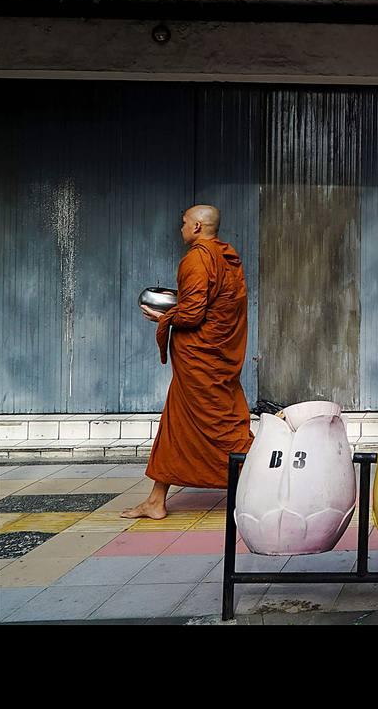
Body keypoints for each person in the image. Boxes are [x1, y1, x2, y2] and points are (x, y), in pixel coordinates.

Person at [122, 205, 254, 519]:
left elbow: (193, 314)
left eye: (183, 223)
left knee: (225, 429)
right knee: (176, 425)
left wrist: (164, 316)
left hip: (202, 362)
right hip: (211, 358)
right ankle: (156, 500)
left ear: (196, 226)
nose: (180, 228)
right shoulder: (227, 257)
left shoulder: (197, 258)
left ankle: (271, 480)